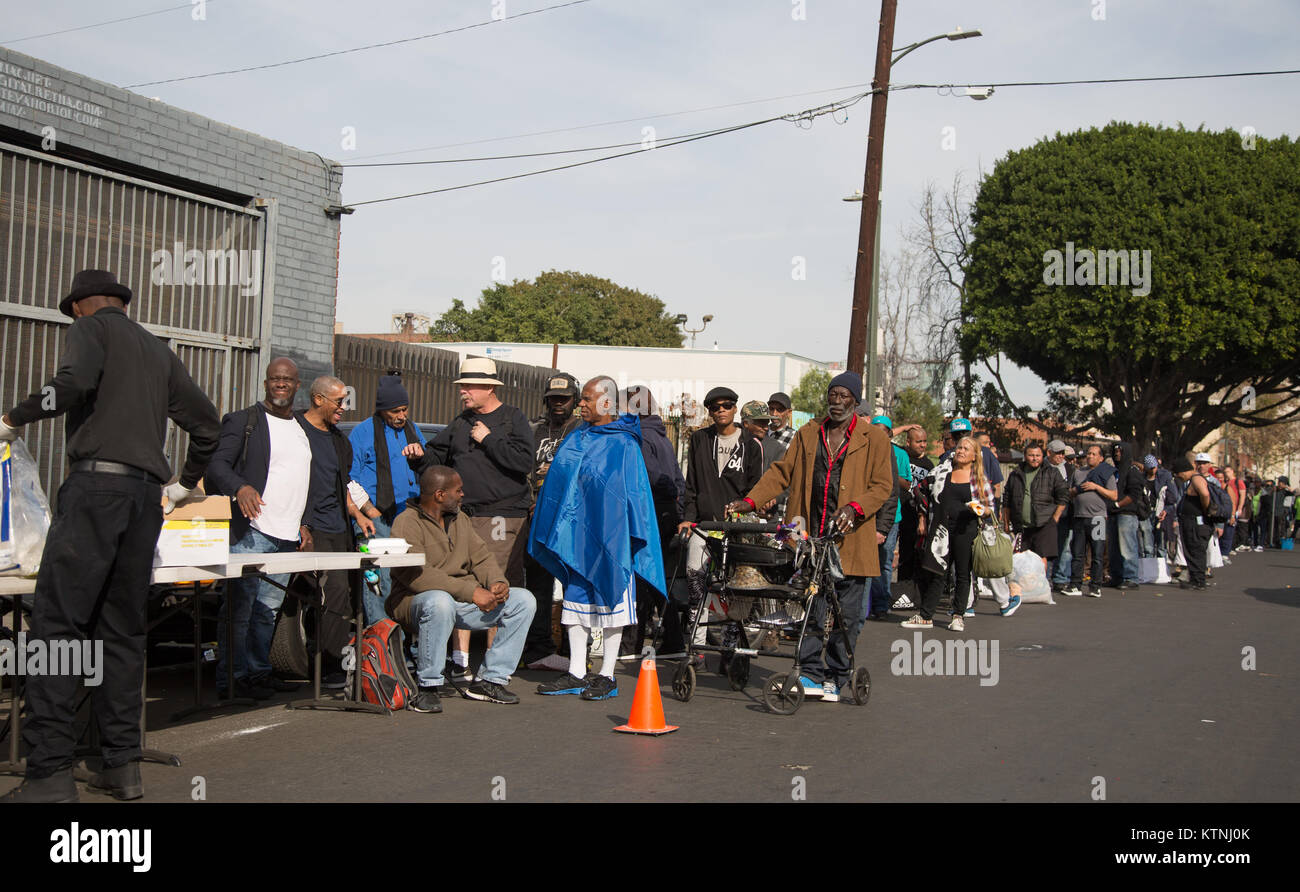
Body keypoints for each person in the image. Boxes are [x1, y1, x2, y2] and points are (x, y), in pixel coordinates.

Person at [0, 269, 220, 803]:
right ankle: (121, 768)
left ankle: (49, 773)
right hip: (145, 501)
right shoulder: (158, 351)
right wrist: (184, 486)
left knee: (57, 628)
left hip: (95, 491)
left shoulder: (91, 328)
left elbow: (71, 386)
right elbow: (209, 424)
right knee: (121, 633)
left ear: (80, 305)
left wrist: (14, 418)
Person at [726, 372, 893, 702]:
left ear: (855, 401)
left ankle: (837, 674)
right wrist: (750, 501)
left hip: (850, 540)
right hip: (810, 539)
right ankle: (813, 673)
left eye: (844, 396)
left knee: (848, 615)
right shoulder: (808, 433)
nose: (836, 401)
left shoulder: (875, 438)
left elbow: (882, 487)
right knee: (812, 610)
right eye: (832, 394)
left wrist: (855, 508)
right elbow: (781, 473)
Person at [529, 377, 667, 701]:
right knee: (574, 602)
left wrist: (621, 534)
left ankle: (607, 674)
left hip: (612, 537)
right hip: (577, 536)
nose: (581, 404)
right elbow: (562, 481)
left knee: (612, 600)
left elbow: (633, 496)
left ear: (606, 403)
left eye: (588, 399)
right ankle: (577, 671)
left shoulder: (624, 443)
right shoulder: (577, 436)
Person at [204, 357, 313, 700]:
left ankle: (257, 672)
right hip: (252, 530)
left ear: (298, 386)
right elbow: (216, 464)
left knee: (266, 612)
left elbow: (305, 480)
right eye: (274, 379)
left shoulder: (301, 428)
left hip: (287, 536)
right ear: (266, 384)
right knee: (238, 609)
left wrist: (304, 523)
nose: (281, 384)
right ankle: (232, 678)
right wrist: (240, 487)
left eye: (287, 380)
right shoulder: (244, 421)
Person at [387, 467, 536, 712]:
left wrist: (497, 583)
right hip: (414, 602)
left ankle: (490, 680)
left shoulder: (460, 520)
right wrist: (472, 593)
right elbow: (417, 575)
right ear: (439, 495)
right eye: (458, 490)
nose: (463, 495)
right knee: (440, 601)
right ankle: (428, 687)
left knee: (524, 600)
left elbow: (482, 557)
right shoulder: (406, 523)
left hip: (459, 600)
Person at [423, 357, 534, 679]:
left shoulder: (512, 419)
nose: (464, 392)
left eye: (469, 387)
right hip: (463, 517)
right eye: (462, 387)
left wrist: (489, 439)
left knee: (498, 586)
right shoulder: (460, 422)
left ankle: (492, 665)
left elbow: (523, 461)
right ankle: (460, 660)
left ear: (489, 388)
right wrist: (418, 453)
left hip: (502, 516)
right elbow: (437, 455)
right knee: (463, 582)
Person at [301, 376, 376, 688]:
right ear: (318, 399)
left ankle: (330, 666)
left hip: (337, 529)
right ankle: (320, 665)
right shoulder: (296, 432)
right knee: (317, 597)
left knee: (340, 598)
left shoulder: (338, 441)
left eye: (345, 401)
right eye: (338, 401)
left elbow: (342, 485)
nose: (343, 408)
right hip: (307, 528)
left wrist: (358, 515)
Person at [677, 386, 763, 636]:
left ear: (736, 409)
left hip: (736, 526)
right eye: (715, 407)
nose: (721, 411)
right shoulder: (700, 439)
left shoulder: (751, 444)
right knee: (695, 581)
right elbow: (691, 483)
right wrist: (687, 520)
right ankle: (697, 646)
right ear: (710, 412)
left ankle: (731, 646)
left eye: (726, 406)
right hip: (704, 525)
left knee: (733, 588)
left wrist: (746, 512)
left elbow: (755, 489)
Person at [902, 436, 1009, 631]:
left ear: (974, 455)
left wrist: (980, 509)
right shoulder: (942, 472)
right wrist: (923, 517)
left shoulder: (979, 479)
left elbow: (989, 508)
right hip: (942, 529)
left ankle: (958, 615)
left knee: (962, 574)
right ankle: (926, 616)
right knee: (937, 572)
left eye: (966, 449)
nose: (960, 451)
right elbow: (921, 491)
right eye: (959, 448)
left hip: (966, 530)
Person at [346, 373, 426, 626]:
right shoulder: (362, 433)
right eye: (395, 411)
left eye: (404, 409)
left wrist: (421, 456)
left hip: (410, 517)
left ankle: (407, 644)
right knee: (377, 580)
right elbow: (350, 479)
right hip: (376, 518)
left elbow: (428, 466)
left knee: (413, 578)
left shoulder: (412, 430)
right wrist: (369, 511)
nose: (401, 416)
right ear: (382, 410)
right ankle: (381, 641)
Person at [520, 373, 582, 671]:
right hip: (537, 518)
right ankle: (538, 649)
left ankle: (575, 651)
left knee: (573, 586)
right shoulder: (533, 429)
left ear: (575, 400)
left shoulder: (583, 431)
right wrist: (532, 504)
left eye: (564, 399)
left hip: (571, 519)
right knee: (538, 587)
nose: (558, 404)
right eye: (553, 399)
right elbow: (522, 472)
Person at [624, 385, 686, 655]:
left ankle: (631, 642)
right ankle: (672, 640)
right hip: (665, 512)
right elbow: (677, 478)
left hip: (647, 511)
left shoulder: (639, 436)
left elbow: (647, 478)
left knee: (640, 577)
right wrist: (678, 509)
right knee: (656, 576)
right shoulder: (661, 435)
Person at [1002, 442, 1069, 575]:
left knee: (1041, 557)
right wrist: (1005, 522)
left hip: (1044, 523)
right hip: (1021, 524)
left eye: (1038, 455)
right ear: (1025, 456)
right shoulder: (1015, 473)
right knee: (1021, 558)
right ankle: (1025, 589)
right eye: (1031, 455)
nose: (1035, 458)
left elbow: (1064, 496)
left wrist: (1055, 518)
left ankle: (1041, 586)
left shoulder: (1052, 472)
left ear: (1042, 456)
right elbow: (1007, 499)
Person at [867, 415, 910, 620]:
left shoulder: (899, 454)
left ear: (889, 434)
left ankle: (882, 605)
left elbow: (906, 485)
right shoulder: (865, 451)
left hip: (891, 516)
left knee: (884, 562)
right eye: (874, 429)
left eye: (882, 431)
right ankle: (865, 605)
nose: (877, 434)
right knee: (867, 561)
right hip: (867, 515)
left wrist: (891, 475)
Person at [1063, 444, 1115, 598]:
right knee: (1078, 553)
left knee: (1097, 553)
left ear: (1100, 457)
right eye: (1088, 454)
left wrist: (1096, 487)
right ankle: (1075, 584)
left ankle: (1095, 586)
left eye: (1093, 454)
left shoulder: (1106, 473)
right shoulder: (1078, 473)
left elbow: (1113, 495)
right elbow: (1069, 492)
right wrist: (1077, 490)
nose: (1090, 456)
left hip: (1098, 518)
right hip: (1080, 517)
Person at [894, 424, 934, 606]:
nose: (923, 445)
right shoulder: (900, 454)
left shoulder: (929, 465)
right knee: (897, 556)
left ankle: (910, 594)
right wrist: (905, 427)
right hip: (897, 511)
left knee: (911, 554)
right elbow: (883, 434)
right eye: (918, 441)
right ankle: (898, 593)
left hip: (915, 514)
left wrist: (922, 518)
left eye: (925, 441)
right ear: (908, 442)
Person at [1106, 442, 1147, 590]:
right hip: (1112, 513)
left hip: (1126, 513)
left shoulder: (1132, 471)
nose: (1117, 453)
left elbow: (1134, 494)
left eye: (1120, 451)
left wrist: (1118, 504)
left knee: (1127, 547)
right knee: (1113, 548)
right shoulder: (1113, 471)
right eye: (1115, 451)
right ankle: (1116, 576)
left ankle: (1131, 577)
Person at [1172, 455, 1213, 590]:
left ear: (1183, 471)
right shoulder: (1192, 480)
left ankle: (1198, 581)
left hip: (1196, 522)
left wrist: (1205, 509)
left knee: (1196, 551)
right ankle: (1195, 578)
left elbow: (1205, 494)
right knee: (1191, 550)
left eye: (1178, 475)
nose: (1179, 477)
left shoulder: (1196, 479)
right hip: (1190, 521)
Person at [1046, 440, 1076, 593]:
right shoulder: (1041, 467)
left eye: (1063, 453)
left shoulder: (1069, 469)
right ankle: (1043, 578)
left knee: (1064, 547)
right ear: (1049, 453)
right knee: (1044, 547)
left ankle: (1060, 578)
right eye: (1058, 453)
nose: (1061, 456)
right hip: (1045, 514)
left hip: (1064, 514)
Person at [742, 401, 783, 477]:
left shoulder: (776, 449)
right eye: (761, 423)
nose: (766, 428)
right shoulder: (734, 443)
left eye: (767, 423)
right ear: (746, 423)